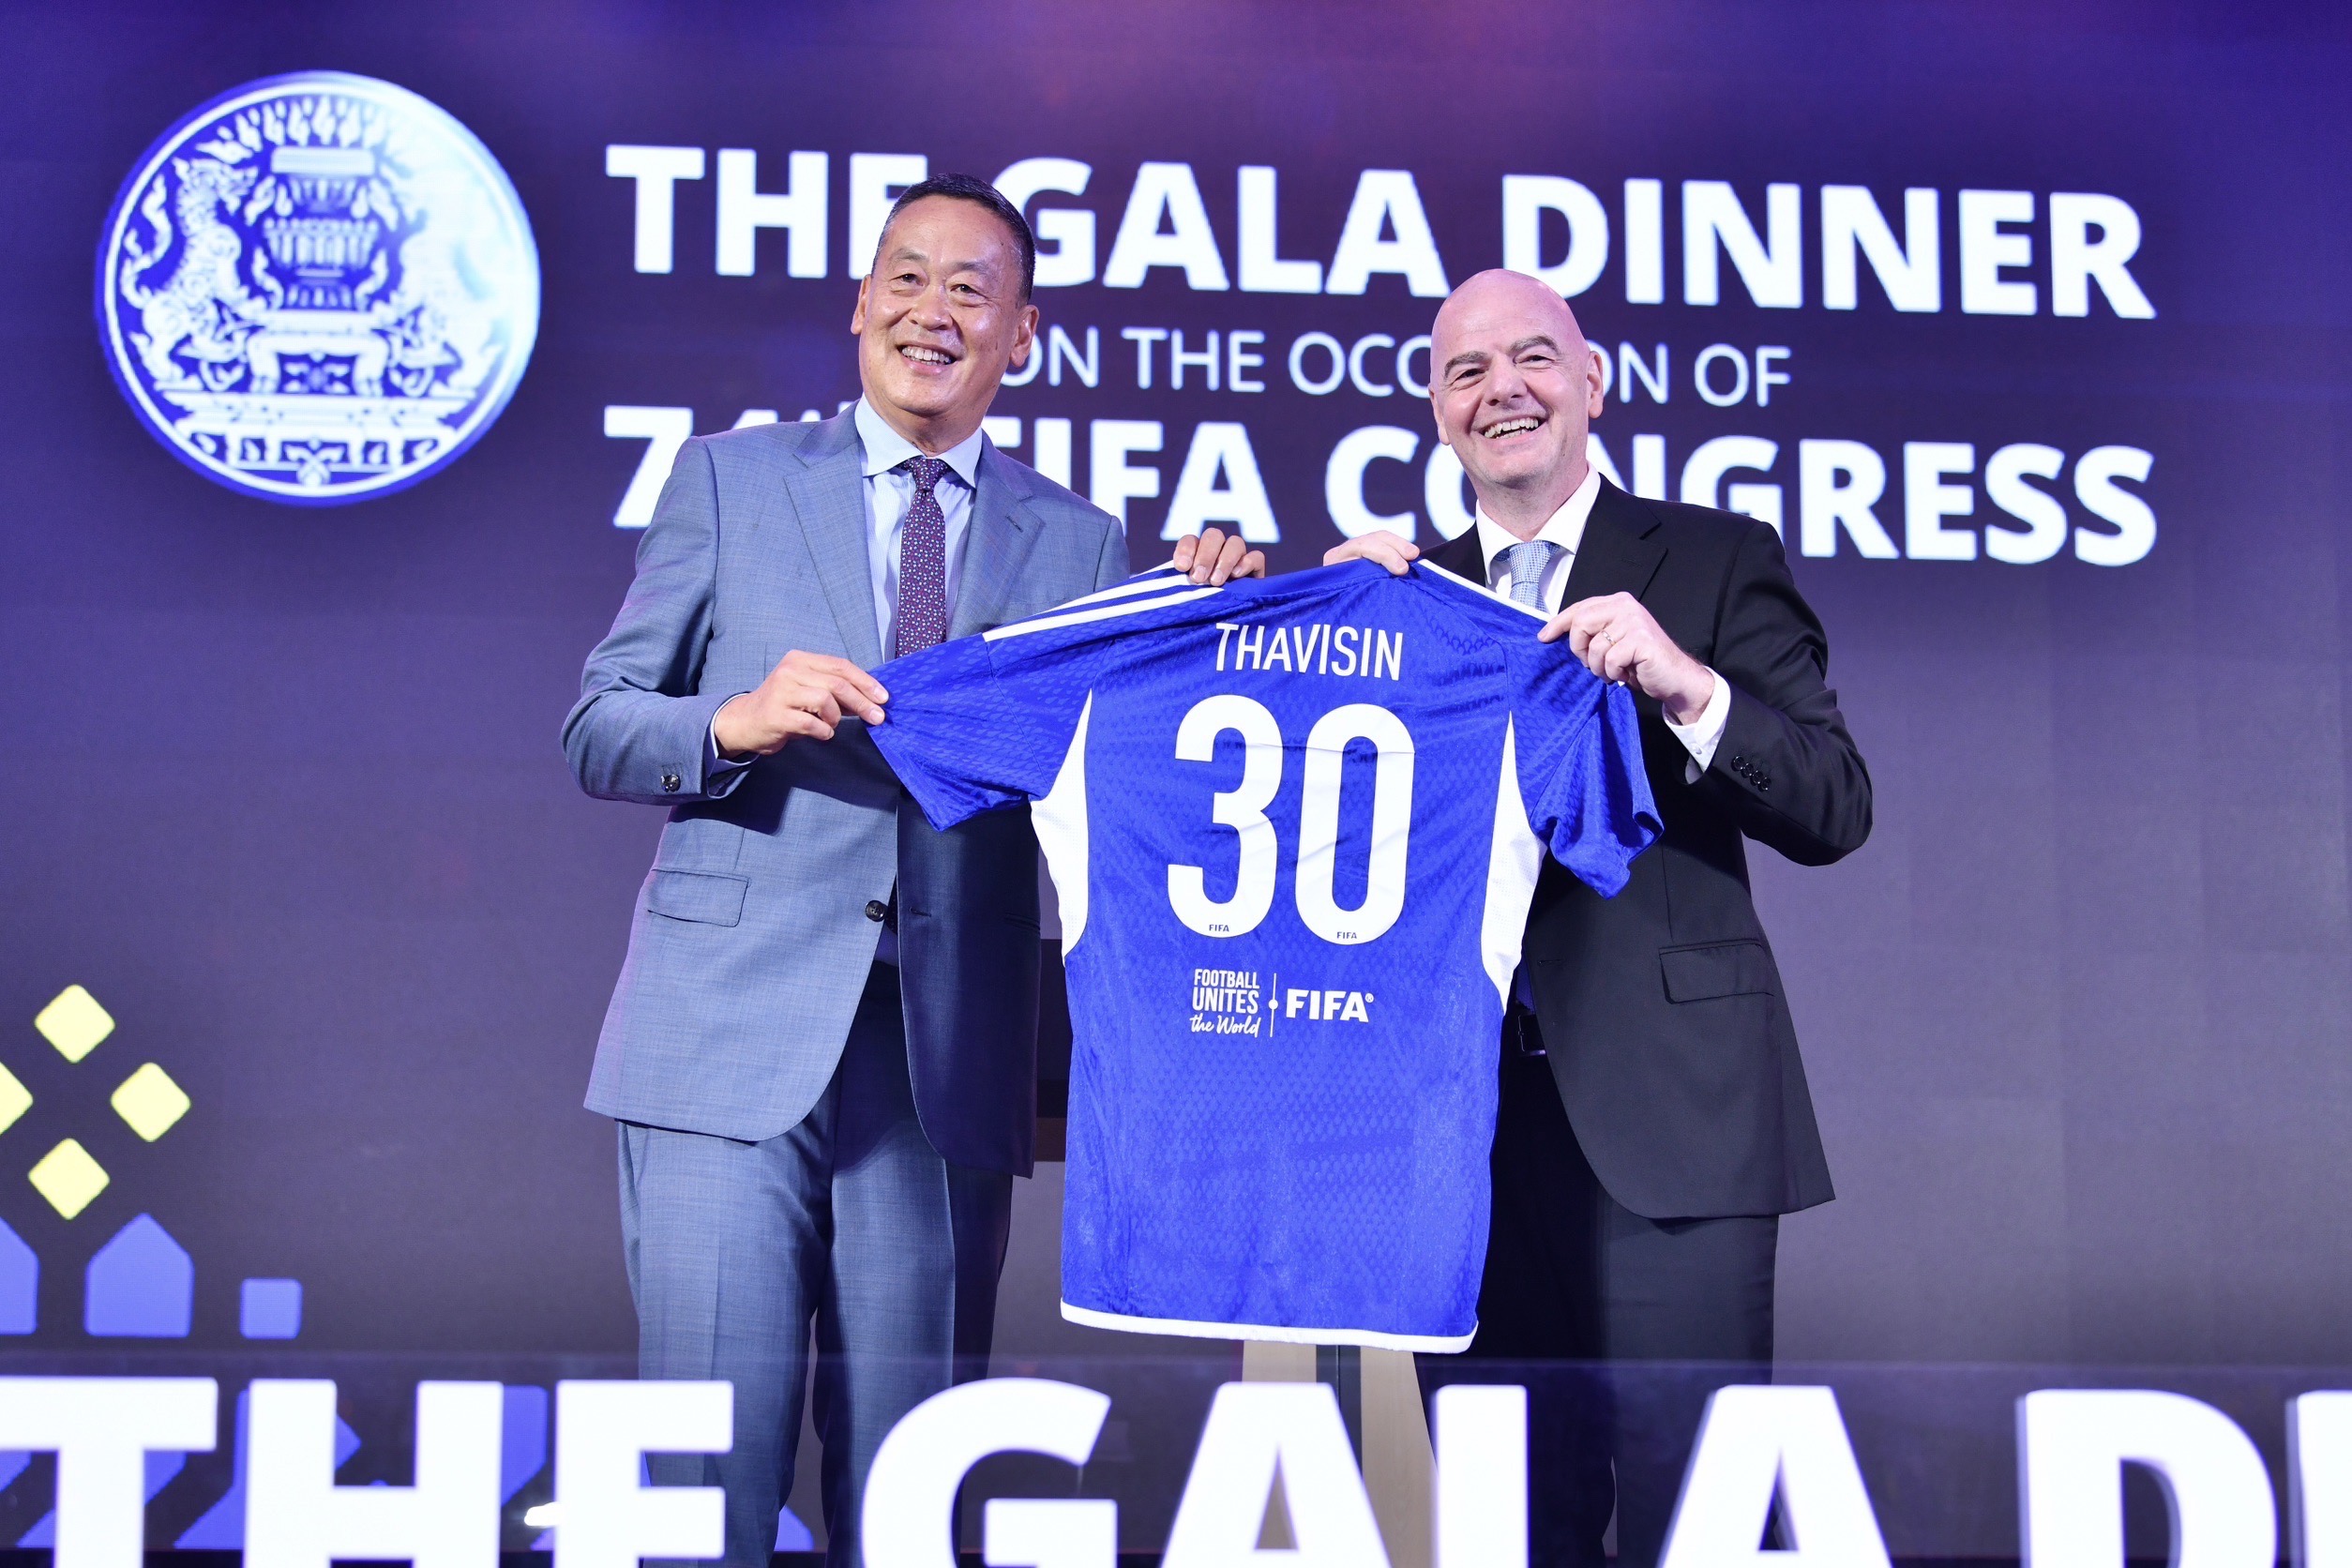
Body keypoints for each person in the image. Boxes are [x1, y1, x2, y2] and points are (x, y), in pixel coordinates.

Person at [563, 173, 1259, 1568]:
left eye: (971, 289)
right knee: (701, 1479)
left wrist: (1210, 631)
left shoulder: (1082, 543)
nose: (932, 310)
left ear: (1021, 333)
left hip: (945, 1051)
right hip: (724, 1029)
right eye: (907, 277)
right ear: (861, 304)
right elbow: (601, 725)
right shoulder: (731, 481)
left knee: (913, 1491)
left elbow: (1122, 786)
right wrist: (732, 720)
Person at [1327, 269, 1871, 1568]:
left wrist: (1686, 686)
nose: (1502, 390)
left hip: (1674, 1114)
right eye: (1466, 371)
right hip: (1459, 1136)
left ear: (1592, 383)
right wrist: (1329, 664)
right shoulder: (1400, 596)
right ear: (1437, 411)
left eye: (1532, 357)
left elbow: (1833, 802)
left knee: (1704, 1523)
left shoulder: (1715, 557)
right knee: (1509, 1529)